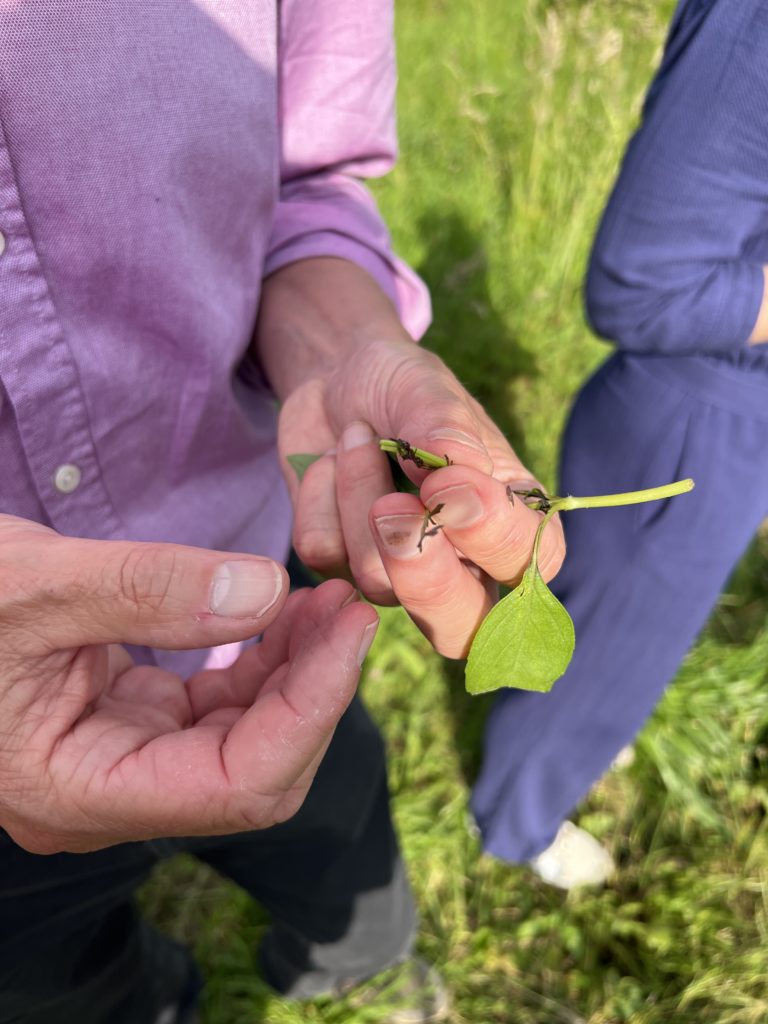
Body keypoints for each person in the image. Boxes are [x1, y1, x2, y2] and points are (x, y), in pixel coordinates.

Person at [0, 3, 565, 1021]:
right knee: (50, 979)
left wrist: (345, 348)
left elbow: (302, 193)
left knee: (340, 833)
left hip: (267, 582)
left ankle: (358, 968)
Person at [472, 0, 768, 889]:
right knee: (592, 662)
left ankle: (571, 741)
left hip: (729, 414)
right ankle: (515, 827)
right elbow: (641, 286)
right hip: (687, 433)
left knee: (613, 646)